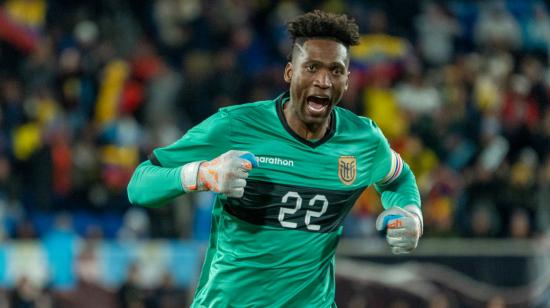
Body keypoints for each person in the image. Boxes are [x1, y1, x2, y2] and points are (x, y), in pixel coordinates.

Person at [127, 10, 422, 307]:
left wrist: (412, 215)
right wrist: (202, 175)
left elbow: (399, 178)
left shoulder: (363, 140)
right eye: (312, 67)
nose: (323, 80)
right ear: (289, 72)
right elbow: (140, 184)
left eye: (335, 70)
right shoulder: (236, 126)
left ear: (347, 80)